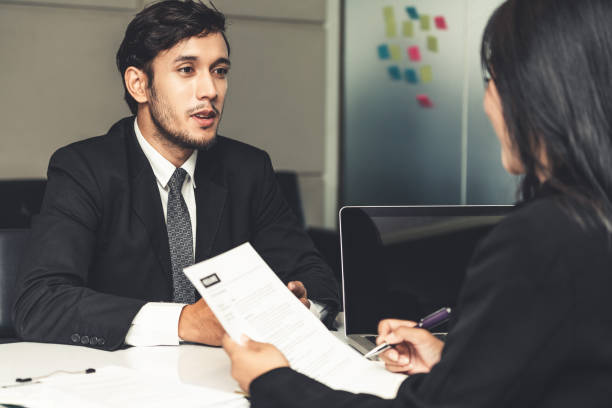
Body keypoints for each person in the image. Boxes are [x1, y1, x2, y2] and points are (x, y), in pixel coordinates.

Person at [222, 0, 612, 406]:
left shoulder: (544, 238)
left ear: (533, 90)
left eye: (490, 80)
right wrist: (457, 362)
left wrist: (271, 380)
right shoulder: (592, 221)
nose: (486, 103)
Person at [12, 0, 339, 351]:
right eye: (186, 70)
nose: (210, 91)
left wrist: (301, 307)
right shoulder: (85, 168)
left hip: (229, 378)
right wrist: (184, 322)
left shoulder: (249, 169)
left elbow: (316, 279)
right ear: (139, 85)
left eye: (219, 71)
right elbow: (40, 302)